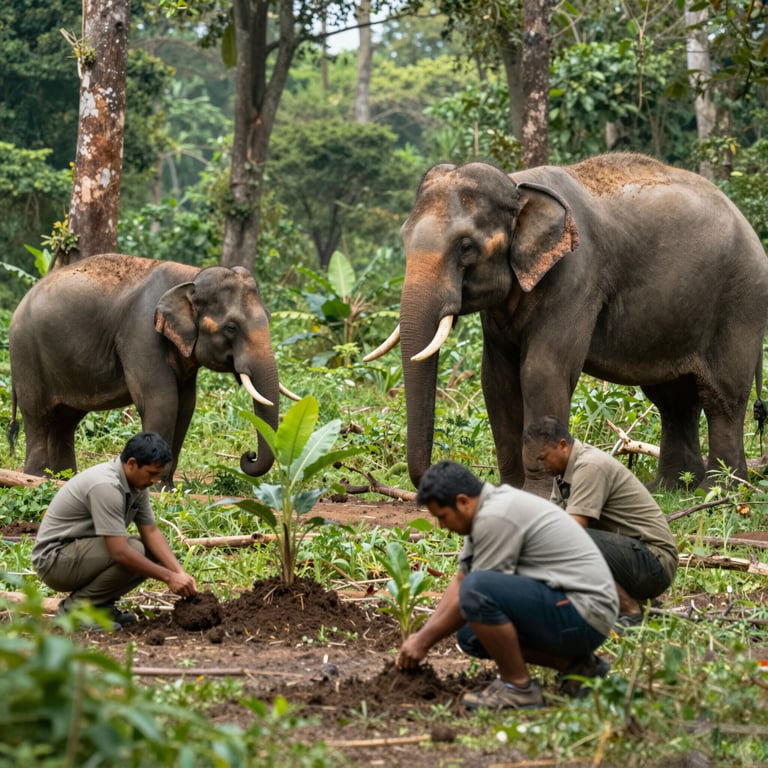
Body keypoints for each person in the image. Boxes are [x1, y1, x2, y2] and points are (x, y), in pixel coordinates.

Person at [396, 460, 619, 710]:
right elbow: (460, 581)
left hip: (585, 612)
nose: (442, 526)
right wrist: (421, 635)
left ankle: (518, 688)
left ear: (462, 501)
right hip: (575, 609)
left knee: (477, 591)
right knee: (471, 635)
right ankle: (577, 666)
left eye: (442, 517)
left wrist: (422, 642)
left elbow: (474, 591)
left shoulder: (496, 515)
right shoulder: (487, 511)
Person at [32, 432, 198, 630]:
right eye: (152, 474)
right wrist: (169, 577)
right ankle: (75, 611)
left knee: (151, 551)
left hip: (82, 553)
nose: (155, 480)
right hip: (55, 560)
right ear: (131, 463)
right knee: (133, 550)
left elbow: (151, 531)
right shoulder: (106, 486)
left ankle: (99, 607)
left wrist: (180, 572)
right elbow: (119, 552)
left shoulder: (137, 484)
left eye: (158, 475)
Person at [523, 415, 678, 626]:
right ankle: (635, 602)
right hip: (635, 557)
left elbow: (570, 532)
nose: (540, 466)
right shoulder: (563, 473)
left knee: (569, 541)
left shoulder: (589, 466)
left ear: (562, 446)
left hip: (655, 562)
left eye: (543, 458)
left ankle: (630, 611)